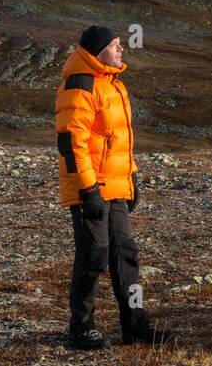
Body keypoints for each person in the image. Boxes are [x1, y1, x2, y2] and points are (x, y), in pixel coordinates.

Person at [54, 25, 169, 349]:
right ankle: (81, 327)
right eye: (116, 45)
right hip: (91, 188)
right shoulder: (81, 85)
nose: (122, 50)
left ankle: (136, 326)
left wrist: (131, 177)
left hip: (116, 187)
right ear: (98, 50)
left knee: (126, 256)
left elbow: (119, 141)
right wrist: (88, 189)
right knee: (93, 256)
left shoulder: (114, 85)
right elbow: (71, 142)